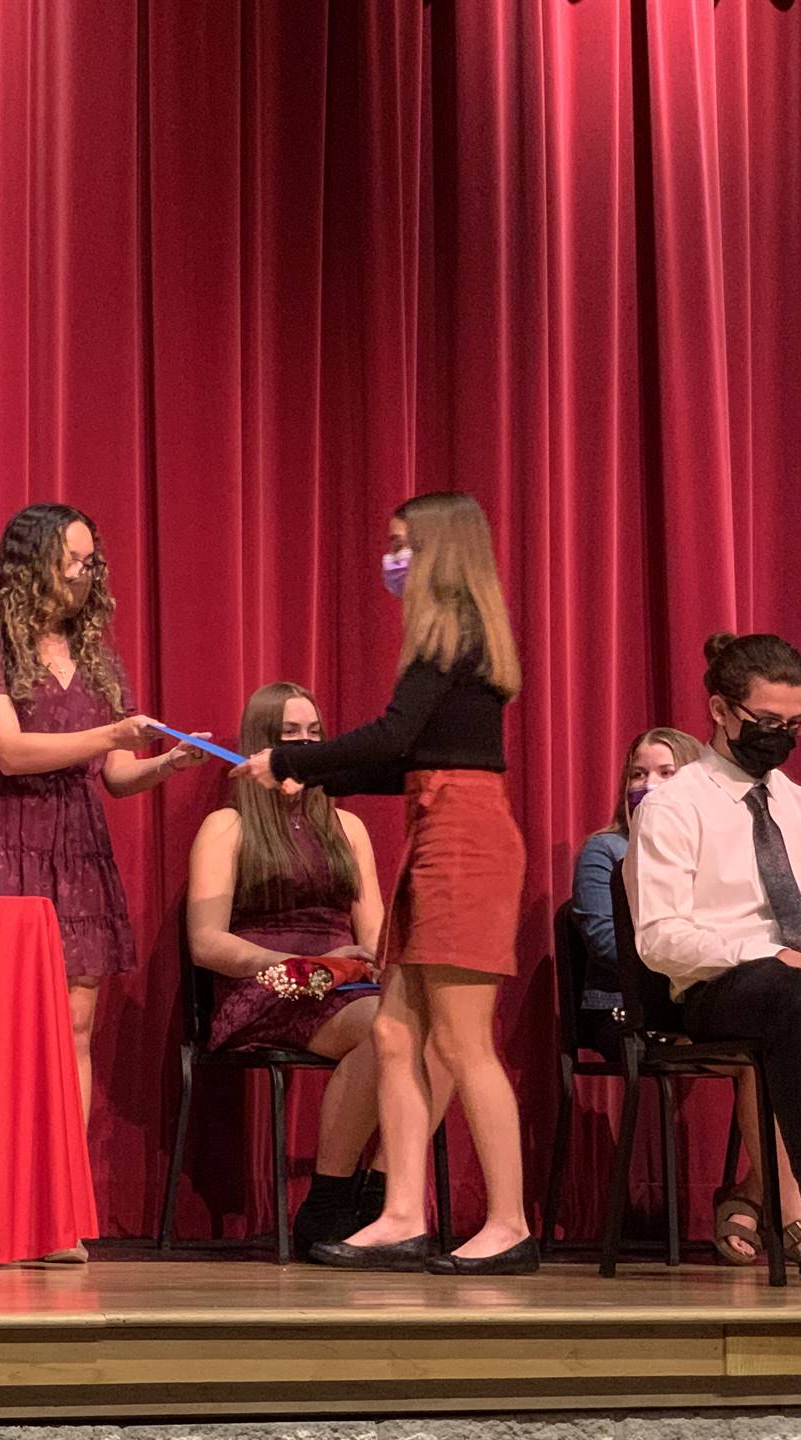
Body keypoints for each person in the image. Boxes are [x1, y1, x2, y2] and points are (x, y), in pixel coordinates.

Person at [236, 491, 533, 1274]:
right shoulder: (454, 647)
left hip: (465, 843)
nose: (391, 559)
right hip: (437, 829)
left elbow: (395, 735)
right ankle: (402, 1212)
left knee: (463, 1043)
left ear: (438, 550)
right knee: (396, 1033)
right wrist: (317, 783)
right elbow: (412, 760)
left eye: (402, 544)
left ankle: (509, 1223)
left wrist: (294, 760)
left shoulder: (450, 642)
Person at [0, 503, 206, 1138]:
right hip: (7, 839)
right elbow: (9, 753)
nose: (84, 575)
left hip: (78, 845)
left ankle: (63, 1202)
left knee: (75, 1025)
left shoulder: (96, 659)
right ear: (31, 565)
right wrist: (112, 731)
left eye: (90, 562)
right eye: (71, 561)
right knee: (1, 1025)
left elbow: (114, 775)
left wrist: (167, 763)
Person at [188, 680, 438, 1254]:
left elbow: (375, 935)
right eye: (288, 736)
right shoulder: (226, 828)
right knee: (386, 1028)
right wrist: (303, 963)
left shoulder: (348, 828)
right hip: (266, 984)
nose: (303, 745)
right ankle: (327, 1203)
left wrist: (388, 967)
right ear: (259, 748)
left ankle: (380, 1193)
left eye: (313, 734)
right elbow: (206, 942)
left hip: (344, 983)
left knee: (440, 1029)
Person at [628, 632, 801, 1277]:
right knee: (793, 996)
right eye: (767, 722)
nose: (781, 736)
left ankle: (762, 1196)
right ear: (721, 710)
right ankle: (795, 1206)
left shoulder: (796, 803)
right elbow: (661, 937)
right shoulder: (675, 806)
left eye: (795, 724)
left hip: (790, 980)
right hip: (715, 987)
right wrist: (767, 950)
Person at [572, 728, 702, 1064]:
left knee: (768, 1042)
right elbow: (605, 941)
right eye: (638, 774)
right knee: (747, 1054)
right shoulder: (606, 850)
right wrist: (690, 965)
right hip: (623, 1008)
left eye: (666, 773)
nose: (649, 785)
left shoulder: (709, 855)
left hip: (693, 1002)